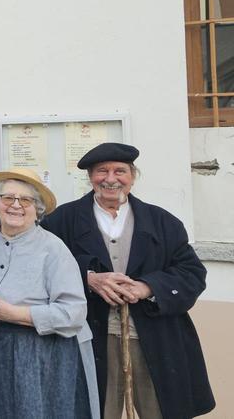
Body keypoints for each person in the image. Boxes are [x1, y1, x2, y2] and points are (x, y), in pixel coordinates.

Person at [43, 143, 214, 418]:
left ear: (132, 176)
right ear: (90, 177)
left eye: (119, 171)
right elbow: (42, 270)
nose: (111, 179)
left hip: (154, 335)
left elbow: (192, 273)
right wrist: (88, 278)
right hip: (89, 335)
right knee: (95, 410)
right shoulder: (61, 220)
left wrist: (148, 287)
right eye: (102, 171)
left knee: (157, 409)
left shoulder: (163, 222)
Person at [0, 168, 98, 419]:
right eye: (8, 198)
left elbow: (74, 312)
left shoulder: (53, 248)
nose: (16, 205)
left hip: (40, 354)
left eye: (25, 200)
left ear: (37, 209)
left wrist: (17, 313)